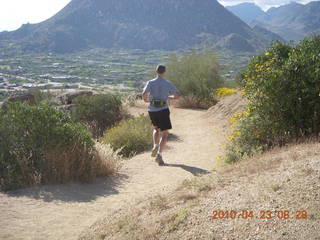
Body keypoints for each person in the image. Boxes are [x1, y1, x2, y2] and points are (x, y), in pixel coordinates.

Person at [142, 65, 180, 166]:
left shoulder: (150, 82)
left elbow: (144, 94)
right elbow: (177, 95)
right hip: (163, 109)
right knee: (165, 133)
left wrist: (146, 100)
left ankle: (155, 145)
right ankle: (159, 154)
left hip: (152, 110)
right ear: (164, 72)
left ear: (156, 71)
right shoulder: (167, 83)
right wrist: (169, 97)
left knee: (155, 129)